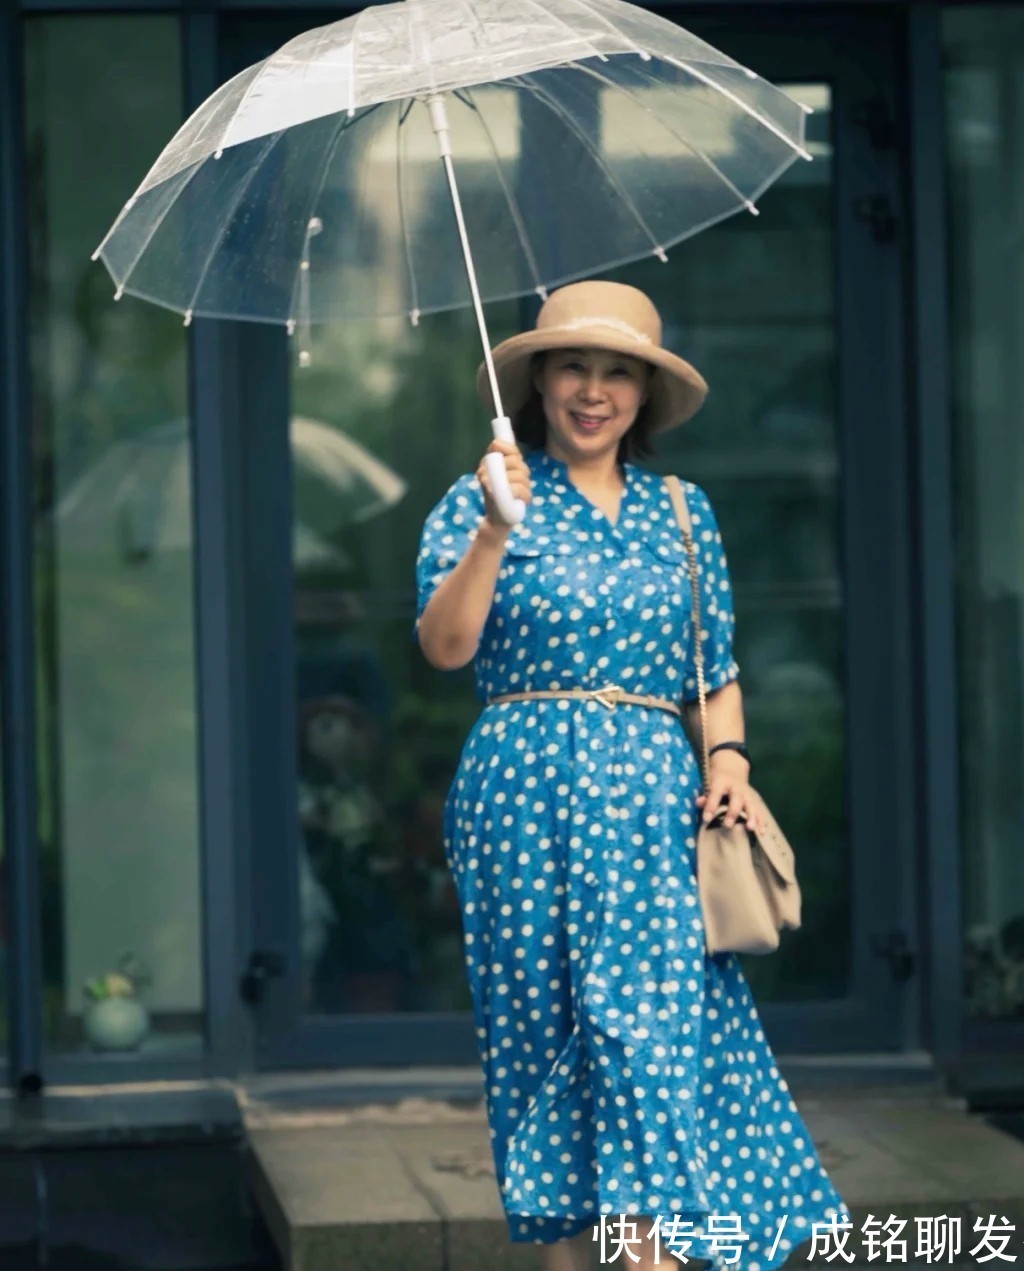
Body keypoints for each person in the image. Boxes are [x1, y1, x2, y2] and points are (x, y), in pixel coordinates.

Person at [413, 281, 850, 1271]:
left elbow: (714, 674)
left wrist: (729, 760)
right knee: (541, 1035)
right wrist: (494, 530)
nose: (593, 390)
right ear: (538, 381)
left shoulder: (685, 512)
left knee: (646, 1033)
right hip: (520, 797)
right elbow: (444, 648)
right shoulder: (480, 497)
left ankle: (651, 1254)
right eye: (574, 366)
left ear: (646, 394)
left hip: (655, 801)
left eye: (618, 372)